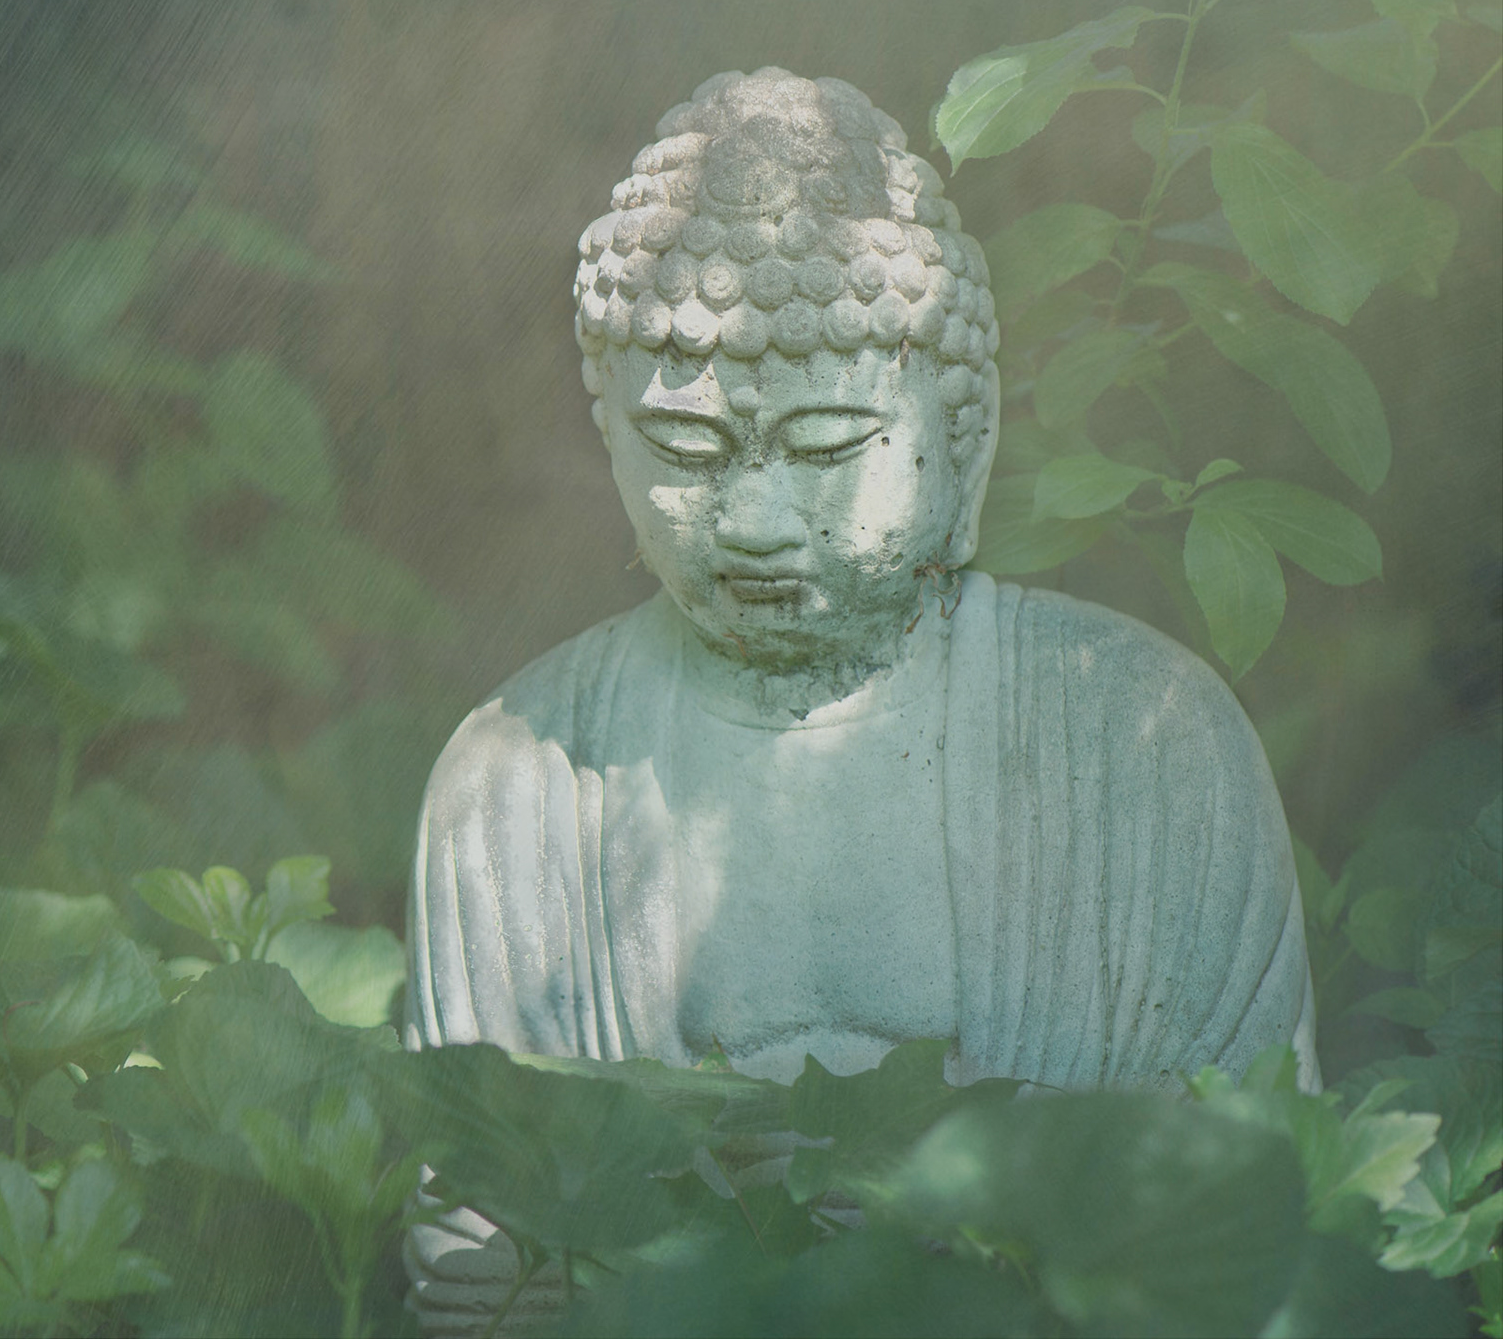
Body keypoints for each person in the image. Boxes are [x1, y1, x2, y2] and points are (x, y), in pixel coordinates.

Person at [402, 69, 1317, 1334]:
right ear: (605, 429)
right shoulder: (518, 784)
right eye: (687, 451)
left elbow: (1255, 1226)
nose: (760, 524)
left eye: (832, 447)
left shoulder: (1148, 749)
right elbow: (475, 1273)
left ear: (966, 433)